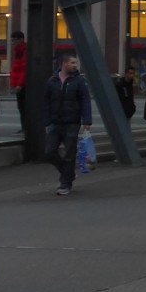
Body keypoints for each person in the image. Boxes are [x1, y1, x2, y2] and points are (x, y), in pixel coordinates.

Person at [43, 52, 92, 195]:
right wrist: (47, 121)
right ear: (63, 64)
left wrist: (86, 120)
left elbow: (85, 100)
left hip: (72, 122)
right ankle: (68, 173)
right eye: (72, 63)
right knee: (49, 151)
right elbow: (46, 102)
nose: (75, 65)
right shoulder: (52, 81)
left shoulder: (79, 81)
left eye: (75, 63)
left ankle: (65, 183)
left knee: (70, 152)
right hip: (55, 122)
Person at [10, 30, 27, 134]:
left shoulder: (23, 51)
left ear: (21, 40)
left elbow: (24, 69)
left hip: (23, 85)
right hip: (20, 84)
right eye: (12, 40)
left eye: (14, 40)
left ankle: (26, 127)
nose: (13, 42)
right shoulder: (18, 51)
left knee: (23, 106)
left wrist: (19, 84)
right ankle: (24, 127)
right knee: (21, 106)